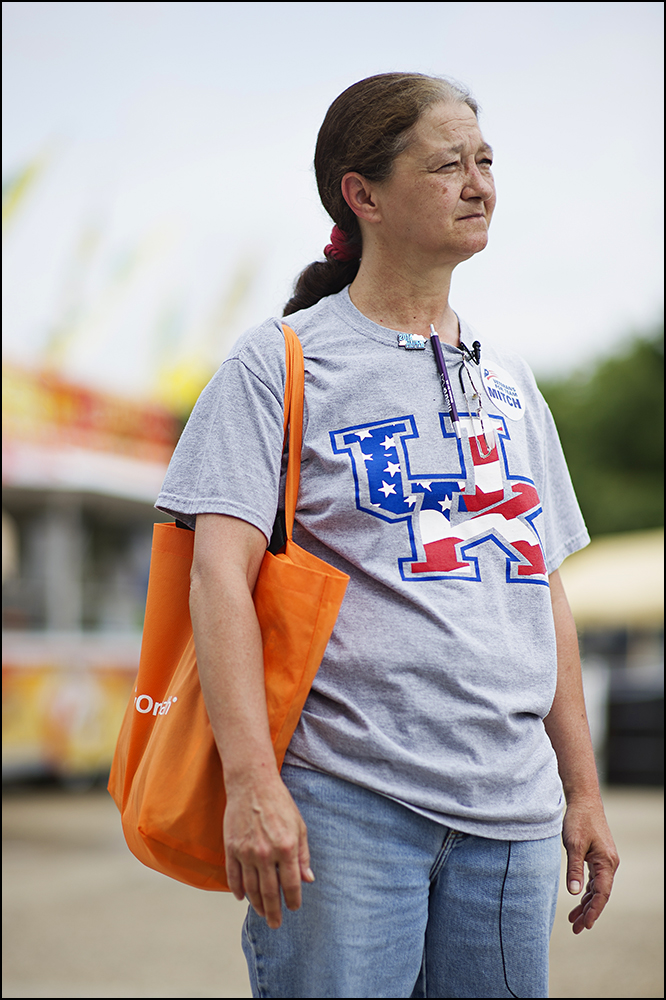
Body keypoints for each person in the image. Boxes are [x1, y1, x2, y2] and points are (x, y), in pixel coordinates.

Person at [156, 72, 619, 999]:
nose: (480, 184)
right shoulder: (279, 362)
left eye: (486, 161)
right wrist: (253, 781)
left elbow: (542, 590)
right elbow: (218, 579)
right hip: (345, 806)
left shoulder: (513, 385)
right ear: (360, 194)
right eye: (448, 165)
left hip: (512, 820)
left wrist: (582, 790)